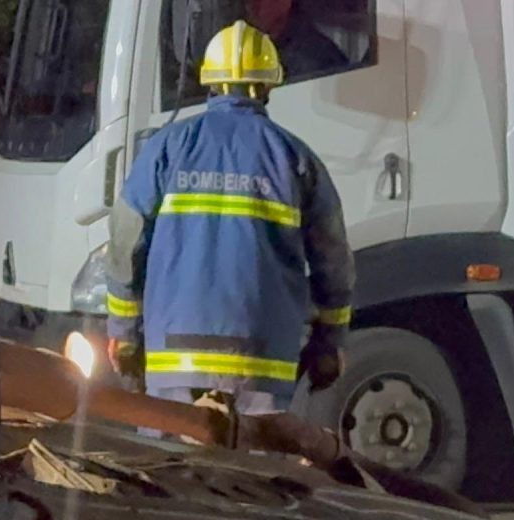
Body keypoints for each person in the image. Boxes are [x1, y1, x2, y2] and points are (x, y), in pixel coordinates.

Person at [105, 21, 354, 418]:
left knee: (166, 470)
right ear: (269, 86)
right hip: (263, 364)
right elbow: (334, 263)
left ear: (210, 83)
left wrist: (124, 335)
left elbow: (124, 246)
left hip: (174, 363)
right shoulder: (296, 159)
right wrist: (330, 340)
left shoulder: (166, 148)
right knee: (255, 477)